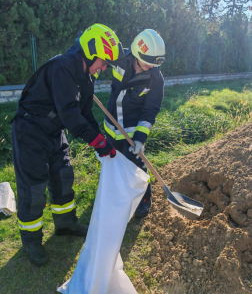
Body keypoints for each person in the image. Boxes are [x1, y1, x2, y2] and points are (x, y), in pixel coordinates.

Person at [11, 23, 124, 266]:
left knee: (63, 176)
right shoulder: (63, 67)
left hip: (53, 131)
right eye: (104, 61)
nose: (104, 67)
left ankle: (65, 224)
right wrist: (97, 142)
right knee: (34, 189)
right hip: (30, 131)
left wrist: (102, 140)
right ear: (91, 51)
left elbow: (86, 114)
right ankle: (31, 241)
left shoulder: (86, 76)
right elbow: (71, 117)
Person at [104, 29, 165, 218]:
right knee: (112, 161)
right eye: (148, 62)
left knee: (136, 166)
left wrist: (140, 139)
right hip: (112, 124)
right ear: (138, 53)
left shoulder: (156, 79)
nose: (151, 67)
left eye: (155, 63)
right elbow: (99, 56)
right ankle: (116, 195)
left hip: (132, 130)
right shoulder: (120, 59)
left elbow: (150, 111)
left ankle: (143, 202)